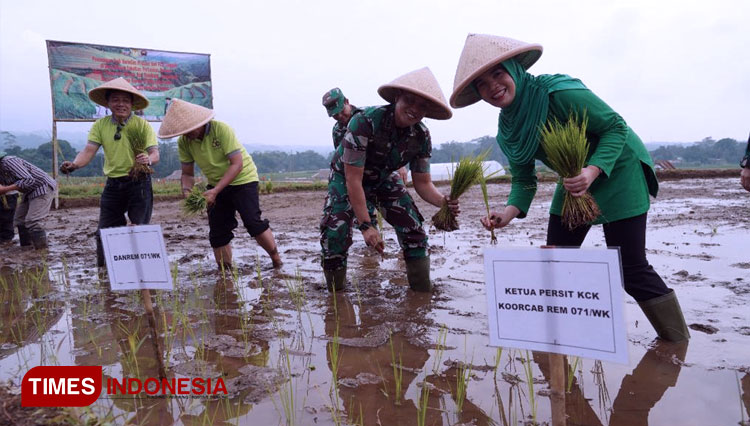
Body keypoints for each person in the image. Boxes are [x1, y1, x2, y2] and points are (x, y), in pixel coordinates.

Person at [450, 34, 689, 341]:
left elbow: (616, 126)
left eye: (498, 74)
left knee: (631, 269)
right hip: (572, 177)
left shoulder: (558, 93)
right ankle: (557, 338)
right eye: (482, 84)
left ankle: (676, 341)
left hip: (618, 168)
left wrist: (592, 170)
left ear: (515, 69)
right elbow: (524, 180)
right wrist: (506, 214)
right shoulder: (508, 130)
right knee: (556, 264)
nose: (493, 86)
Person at [320, 67, 458, 292]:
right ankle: (336, 297)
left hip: (383, 176)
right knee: (336, 232)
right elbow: (354, 181)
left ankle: (422, 293)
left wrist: (443, 201)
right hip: (347, 177)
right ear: (397, 98)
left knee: (413, 228)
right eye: (409, 100)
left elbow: (423, 183)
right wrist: (366, 226)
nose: (414, 109)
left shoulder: (421, 136)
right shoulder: (364, 122)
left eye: (422, 105)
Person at [157, 99, 282, 270]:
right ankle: (225, 272)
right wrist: (188, 193)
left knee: (253, 222)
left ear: (200, 122)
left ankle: (276, 259)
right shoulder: (184, 142)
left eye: (189, 129)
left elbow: (237, 164)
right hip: (216, 184)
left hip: (243, 179)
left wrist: (215, 191)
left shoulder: (221, 130)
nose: (187, 134)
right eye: (183, 131)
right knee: (217, 231)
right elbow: (187, 173)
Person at [60, 77, 160, 267]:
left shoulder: (142, 125)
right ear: (108, 103)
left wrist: (148, 159)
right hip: (113, 184)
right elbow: (88, 151)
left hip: (139, 182)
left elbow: (155, 153)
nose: (120, 104)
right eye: (115, 99)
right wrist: (73, 165)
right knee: (105, 232)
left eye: (125, 100)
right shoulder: (101, 125)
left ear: (131, 104)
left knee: (139, 229)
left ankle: (141, 273)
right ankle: (105, 274)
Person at [322, 88, 408, 183]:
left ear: (347, 102)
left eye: (342, 111)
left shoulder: (369, 116)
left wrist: (400, 165)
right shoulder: (337, 130)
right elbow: (341, 158)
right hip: (355, 173)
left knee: (402, 195)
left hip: (380, 169)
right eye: (335, 115)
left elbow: (391, 139)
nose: (340, 116)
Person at [0, 151, 57, 249]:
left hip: (42, 187)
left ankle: (42, 250)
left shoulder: (9, 162)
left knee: (33, 220)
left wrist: (5, 189)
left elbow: (28, 180)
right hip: (28, 191)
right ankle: (27, 247)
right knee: (19, 219)